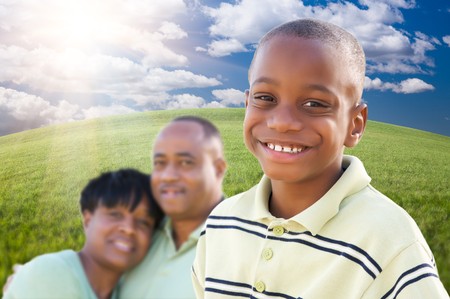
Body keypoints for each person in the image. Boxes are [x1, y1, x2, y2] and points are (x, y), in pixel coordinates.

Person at [192, 19, 448, 298]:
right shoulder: (220, 222)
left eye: (314, 104)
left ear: (355, 124)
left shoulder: (390, 242)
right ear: (246, 104)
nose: (282, 123)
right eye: (265, 98)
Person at [4, 168, 163, 299]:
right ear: (87, 220)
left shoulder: (120, 291)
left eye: (144, 222)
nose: (129, 228)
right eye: (115, 214)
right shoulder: (53, 275)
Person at [119, 116, 227, 298]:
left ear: (218, 169)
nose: (168, 176)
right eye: (160, 163)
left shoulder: (243, 238)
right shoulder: (140, 236)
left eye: (186, 162)